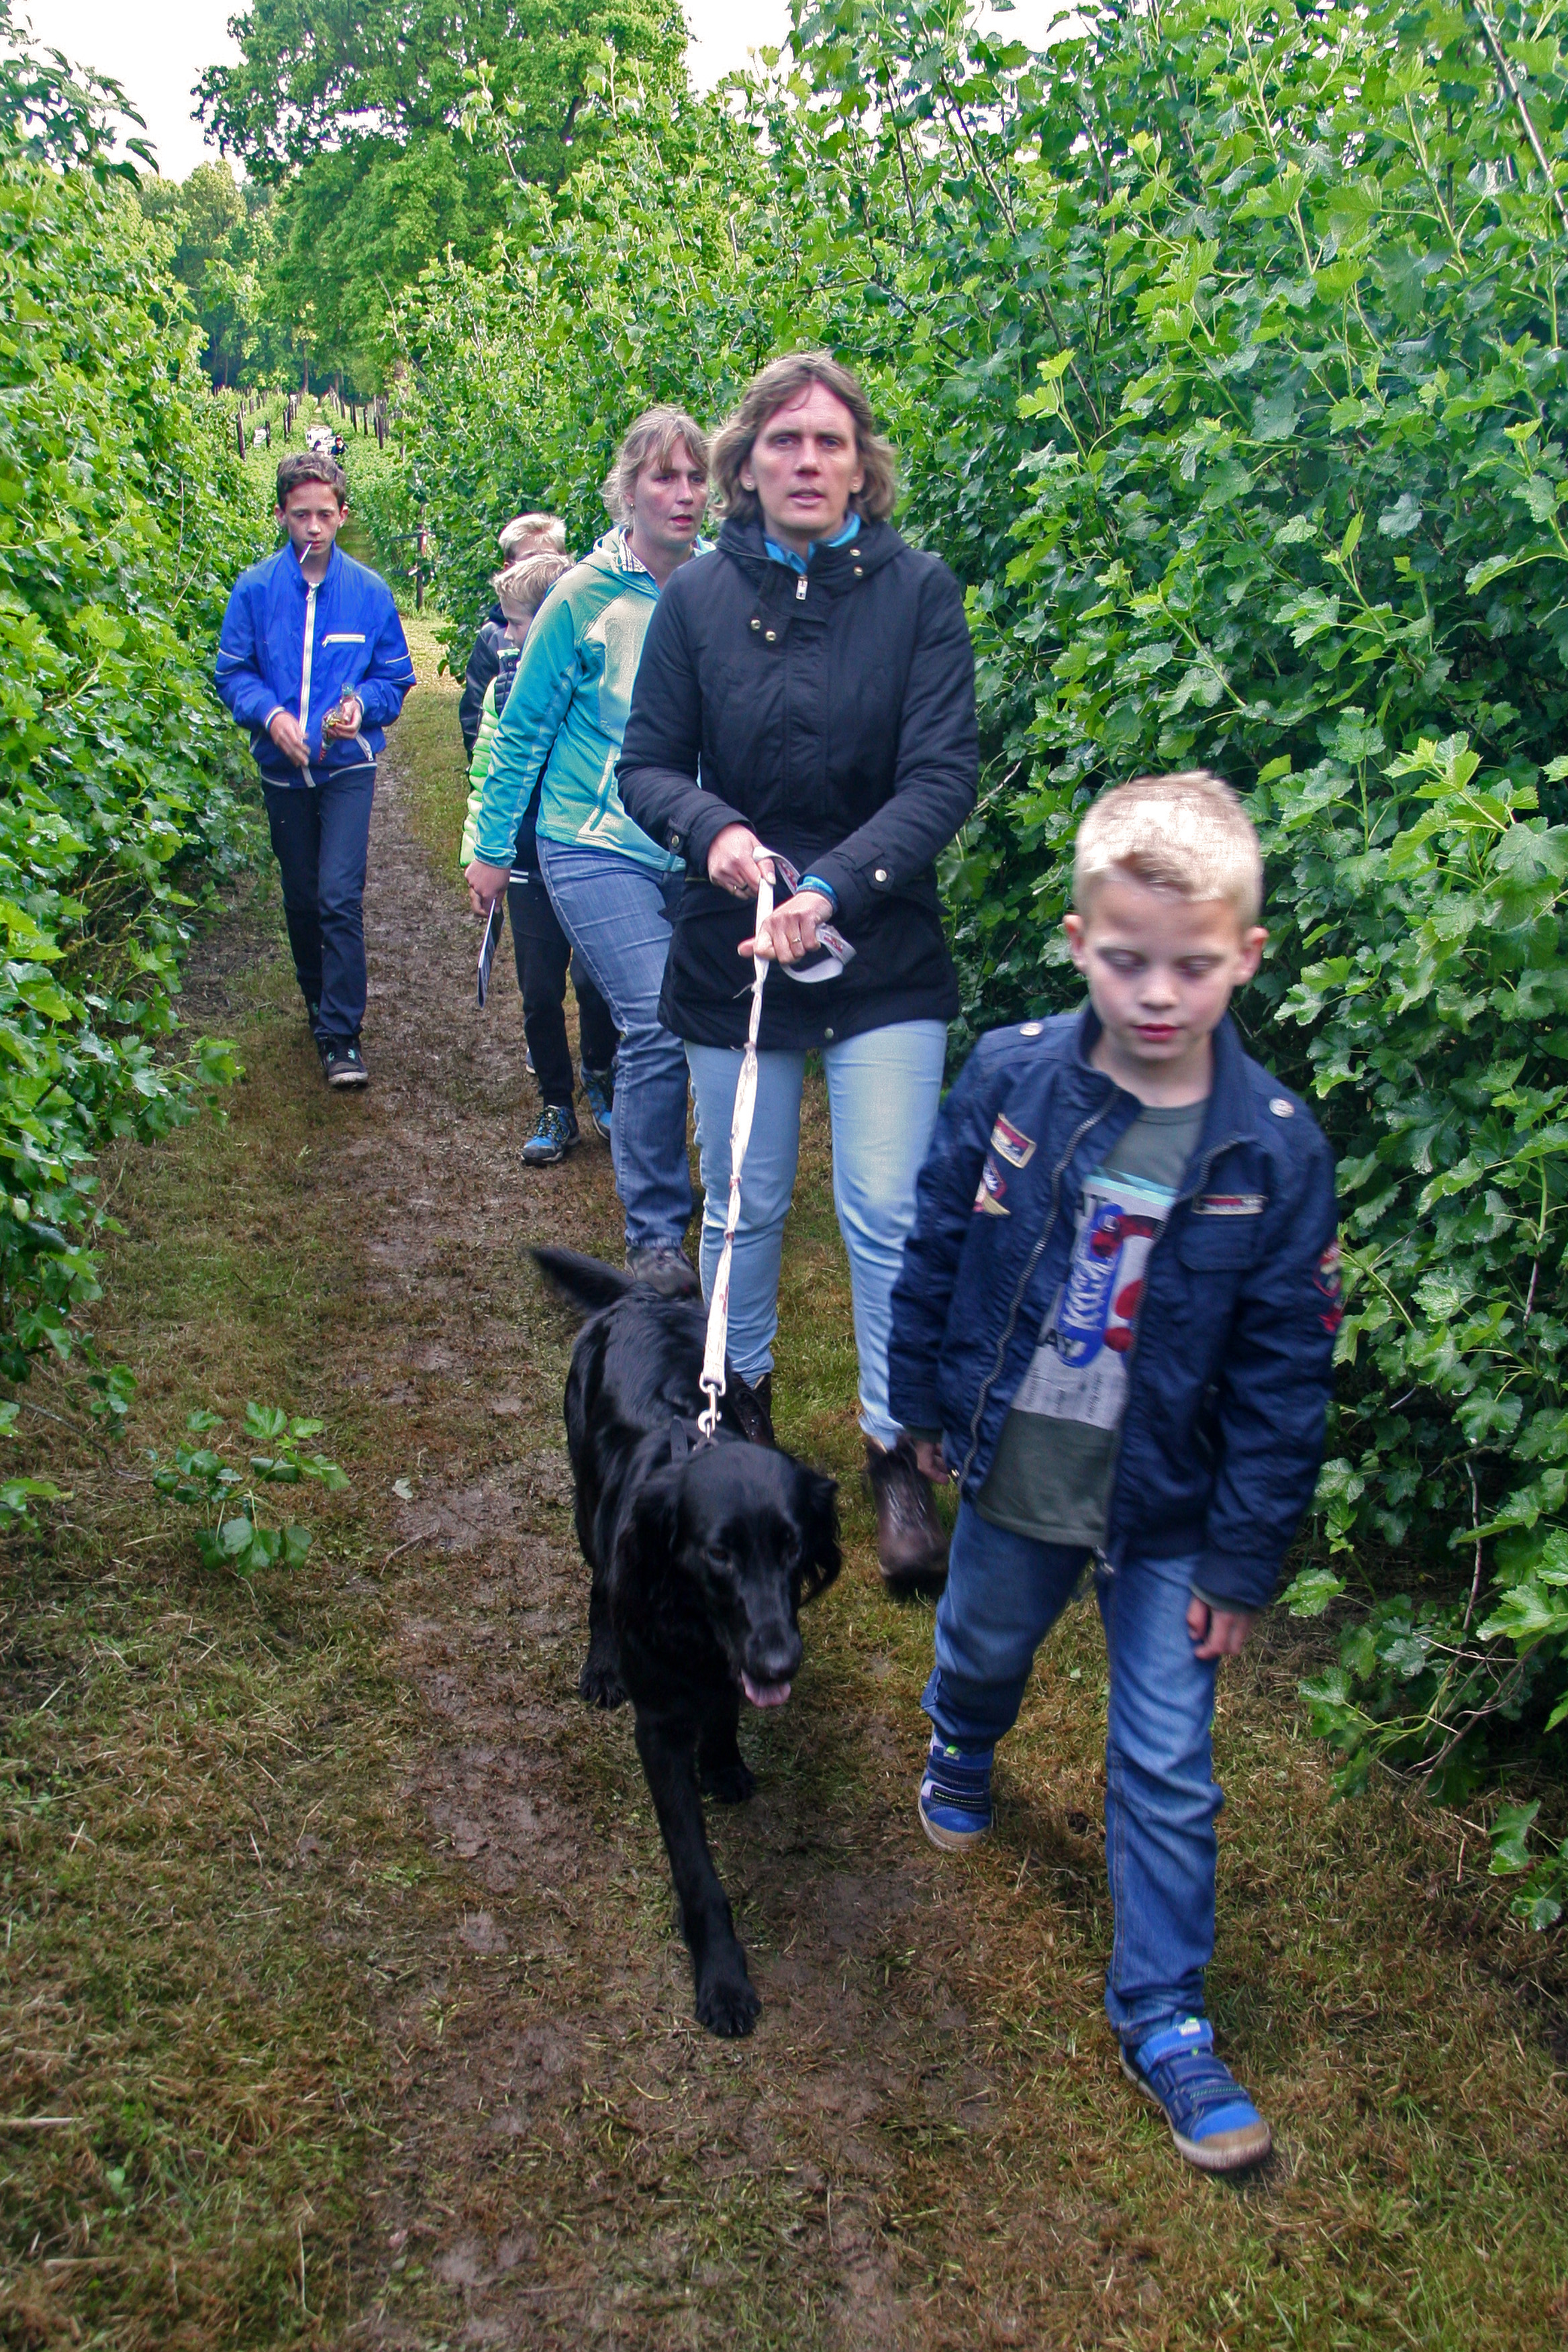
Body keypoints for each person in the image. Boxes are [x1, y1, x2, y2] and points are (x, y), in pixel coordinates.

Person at [886, 770, 1340, 2174]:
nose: (1156, 993)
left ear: (1244, 956)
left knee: (1165, 1756)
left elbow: (1285, 1375)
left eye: (1191, 966)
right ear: (1079, 940)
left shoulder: (1274, 1153)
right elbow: (937, 1241)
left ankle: (1164, 2012)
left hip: (1171, 1511)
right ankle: (962, 1736)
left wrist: (1242, 1558)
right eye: (1127, 959)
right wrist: (918, 1406)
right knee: (984, 1639)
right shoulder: (1012, 1074)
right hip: (1023, 1465)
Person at [616, 353, 976, 1574]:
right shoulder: (698, 599)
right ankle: (743, 1427)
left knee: (885, 1206)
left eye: (830, 442)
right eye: (784, 441)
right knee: (743, 1201)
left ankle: (895, 1451)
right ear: (747, 464)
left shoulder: (920, 592)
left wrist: (832, 888)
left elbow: (942, 776)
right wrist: (714, 832)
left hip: (881, 942)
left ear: (862, 464)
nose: (808, 462)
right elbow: (647, 766)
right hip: (737, 947)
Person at [464, 409, 710, 1279]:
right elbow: (523, 729)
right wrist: (492, 848)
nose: (683, 494)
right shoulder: (580, 597)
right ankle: (655, 1238)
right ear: (626, 492)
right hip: (591, 839)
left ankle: (721, 1191)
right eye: (663, 477)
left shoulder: (719, 586)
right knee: (653, 1016)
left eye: (695, 477)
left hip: (692, 845)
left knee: (709, 1026)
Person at [215, 451, 414, 1088]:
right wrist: (270, 714)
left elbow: (394, 679)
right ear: (281, 515)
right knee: (302, 898)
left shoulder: (369, 593)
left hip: (348, 769)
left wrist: (361, 707)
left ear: (342, 515)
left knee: (337, 897)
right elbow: (233, 673)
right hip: (282, 773)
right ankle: (316, 1000)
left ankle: (342, 1035)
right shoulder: (254, 591)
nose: (313, 527)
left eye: (325, 515)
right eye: (301, 515)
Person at [460, 551, 619, 1164]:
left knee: (597, 981)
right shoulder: (503, 690)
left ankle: (600, 1073)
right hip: (526, 858)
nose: (507, 635)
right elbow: (489, 768)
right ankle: (556, 1102)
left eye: (518, 623)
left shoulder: (593, 685)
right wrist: (484, 850)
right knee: (538, 988)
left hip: (588, 850)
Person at [457, 513, 569, 758]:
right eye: (531, 560)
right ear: (509, 568)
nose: (541, 569)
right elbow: (475, 722)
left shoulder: (580, 634)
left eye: (550, 560)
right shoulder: (493, 638)